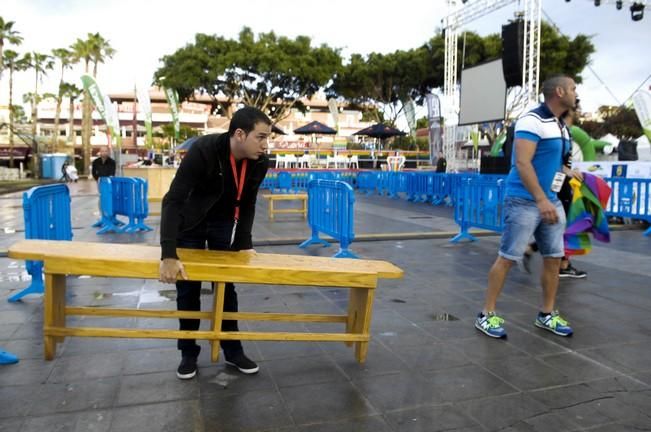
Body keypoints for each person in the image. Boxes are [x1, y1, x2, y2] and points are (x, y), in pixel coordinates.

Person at [159, 106, 271, 380]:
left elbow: (248, 203)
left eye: (268, 138)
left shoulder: (259, 161)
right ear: (240, 134)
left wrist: (244, 242)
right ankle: (188, 352)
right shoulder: (204, 150)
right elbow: (172, 200)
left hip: (222, 222)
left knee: (225, 286)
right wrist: (168, 254)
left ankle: (232, 350)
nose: (266, 144)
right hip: (191, 220)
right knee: (188, 288)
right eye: (261, 137)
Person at [475, 75, 582, 339]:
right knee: (509, 257)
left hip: (551, 201)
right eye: (572, 89)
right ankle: (485, 315)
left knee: (554, 259)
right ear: (559, 92)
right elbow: (523, 163)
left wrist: (569, 171)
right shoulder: (532, 120)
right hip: (525, 200)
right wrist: (541, 199)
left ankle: (546, 314)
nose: (575, 93)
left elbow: (551, 162)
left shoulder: (559, 125)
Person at [522, 108, 587, 279]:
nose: (579, 110)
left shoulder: (565, 131)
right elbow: (553, 162)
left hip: (560, 183)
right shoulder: (556, 131)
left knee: (562, 224)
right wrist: (568, 172)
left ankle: (558, 260)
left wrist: (570, 171)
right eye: (576, 106)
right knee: (565, 225)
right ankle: (560, 263)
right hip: (559, 184)